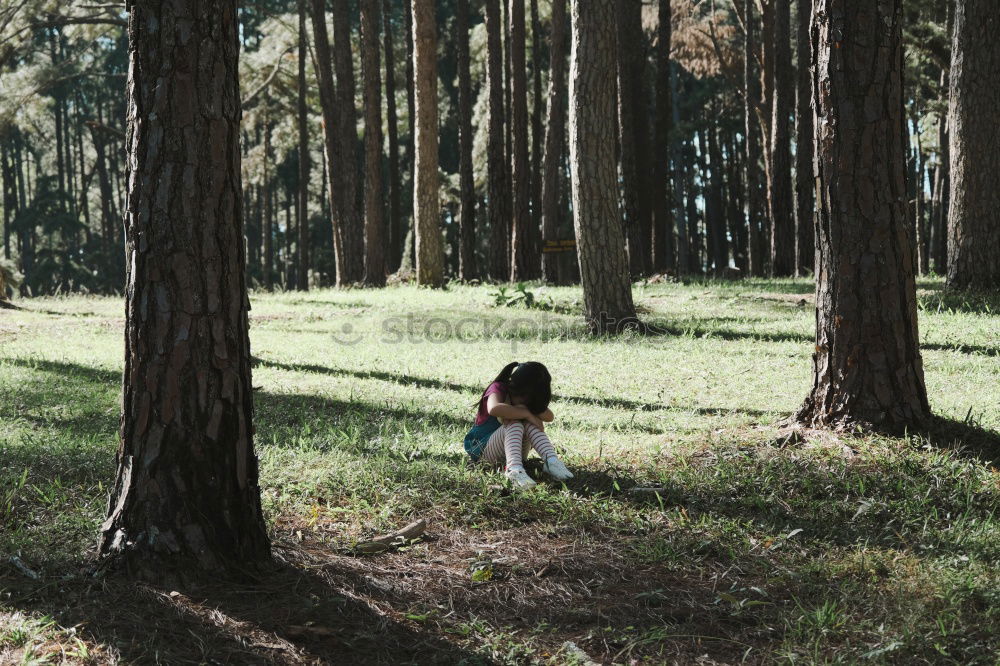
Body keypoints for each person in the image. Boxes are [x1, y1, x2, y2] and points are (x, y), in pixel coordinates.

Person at [464, 361, 574, 489]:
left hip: (515, 451)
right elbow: (493, 409)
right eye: (525, 400)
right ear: (514, 389)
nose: (527, 403)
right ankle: (513, 471)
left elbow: (549, 416)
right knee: (514, 421)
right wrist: (527, 413)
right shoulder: (498, 388)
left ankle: (551, 461)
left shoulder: (529, 397)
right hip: (484, 452)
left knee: (526, 421)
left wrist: (529, 413)